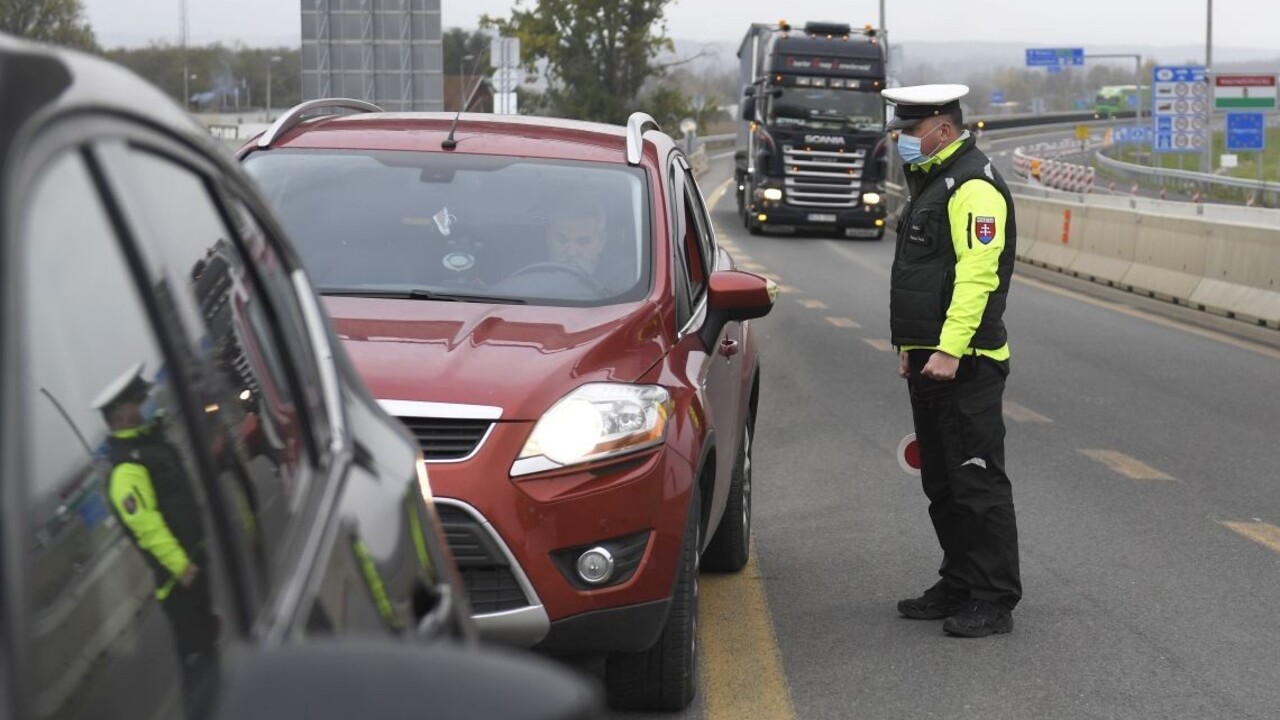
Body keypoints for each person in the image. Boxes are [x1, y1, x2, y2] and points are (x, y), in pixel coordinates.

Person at [881, 84, 1022, 638]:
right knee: (941, 482)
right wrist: (910, 350)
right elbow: (922, 276)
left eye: (910, 133)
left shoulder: (973, 187)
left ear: (942, 127)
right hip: (930, 359)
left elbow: (976, 277)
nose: (903, 143)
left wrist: (949, 348)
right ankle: (960, 581)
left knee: (977, 484)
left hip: (966, 362)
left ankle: (994, 598)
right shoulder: (932, 181)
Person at [94, 363, 219, 706]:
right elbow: (147, 527)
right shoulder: (126, 470)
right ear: (119, 416)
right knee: (199, 669)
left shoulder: (151, 446)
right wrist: (183, 567)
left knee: (210, 657)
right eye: (137, 400)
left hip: (195, 568)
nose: (145, 403)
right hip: (180, 581)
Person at [546, 200, 609, 276]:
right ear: (548, 238)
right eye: (562, 240)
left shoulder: (621, 280)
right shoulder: (529, 273)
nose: (571, 252)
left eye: (582, 242)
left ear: (601, 242)